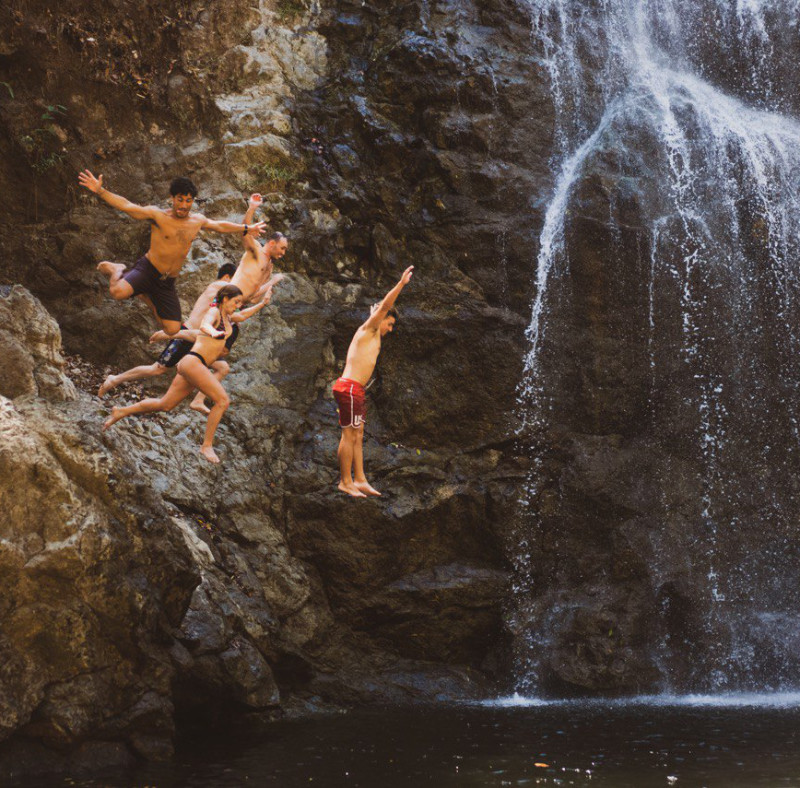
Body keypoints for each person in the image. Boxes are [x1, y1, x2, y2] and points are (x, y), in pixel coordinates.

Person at [77, 171, 267, 335]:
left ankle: (148, 296)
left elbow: (219, 225)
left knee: (172, 330)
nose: (184, 205)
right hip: (148, 270)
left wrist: (245, 228)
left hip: (167, 281)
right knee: (117, 292)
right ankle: (117, 269)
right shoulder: (158, 215)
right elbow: (127, 206)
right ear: (172, 198)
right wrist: (100, 191)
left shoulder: (197, 221)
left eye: (188, 201)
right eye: (180, 200)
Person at [103, 285, 266, 463]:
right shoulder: (214, 313)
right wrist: (213, 331)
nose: (238, 306)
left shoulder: (228, 318)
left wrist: (263, 303)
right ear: (225, 298)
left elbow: (196, 334)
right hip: (194, 363)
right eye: (236, 302)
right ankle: (206, 446)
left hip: (194, 365)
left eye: (240, 303)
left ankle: (121, 411)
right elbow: (204, 326)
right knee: (223, 401)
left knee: (165, 404)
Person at [97, 262, 238, 400]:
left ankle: (198, 400)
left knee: (222, 367)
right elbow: (242, 290)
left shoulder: (223, 301)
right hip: (186, 336)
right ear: (226, 277)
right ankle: (115, 379)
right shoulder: (218, 286)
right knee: (157, 369)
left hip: (199, 341)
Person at [332, 266, 414, 497]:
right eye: (390, 323)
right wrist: (401, 284)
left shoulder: (373, 333)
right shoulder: (368, 329)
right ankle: (345, 481)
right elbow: (385, 306)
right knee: (349, 435)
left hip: (355, 390)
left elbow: (380, 311)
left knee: (357, 434)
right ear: (381, 318)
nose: (391, 328)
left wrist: (375, 312)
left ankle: (360, 479)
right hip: (348, 388)